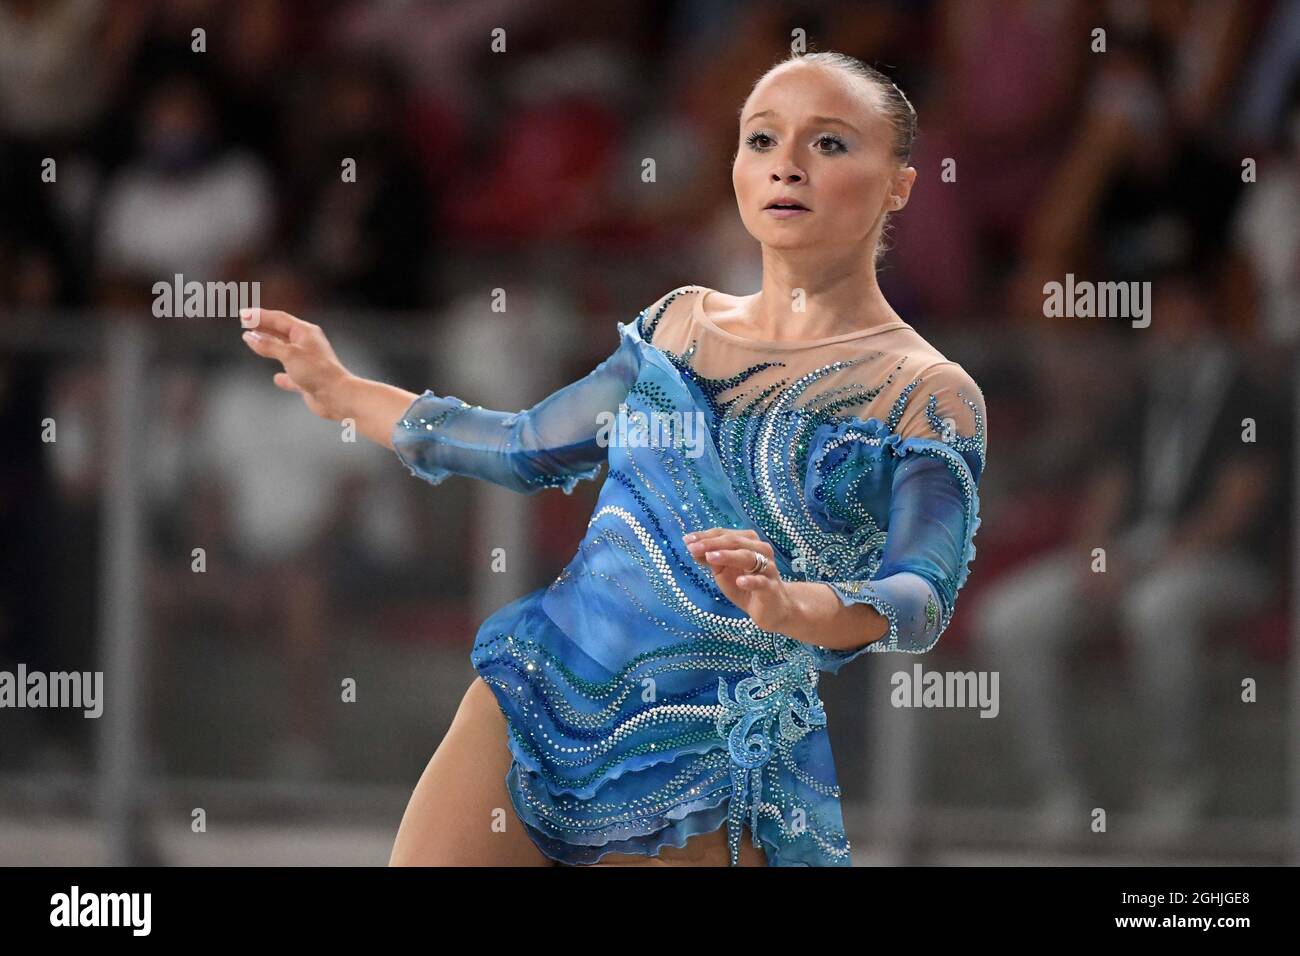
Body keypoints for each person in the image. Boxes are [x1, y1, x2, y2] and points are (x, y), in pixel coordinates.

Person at [238, 51, 987, 866]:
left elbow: (920, 597)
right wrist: (348, 394)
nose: (788, 167)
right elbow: (525, 445)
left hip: (711, 757)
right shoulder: (675, 327)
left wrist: (797, 605)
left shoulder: (926, 392)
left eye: (831, 144)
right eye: (762, 141)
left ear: (900, 185)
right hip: (544, 691)